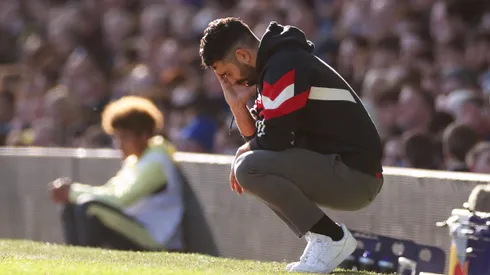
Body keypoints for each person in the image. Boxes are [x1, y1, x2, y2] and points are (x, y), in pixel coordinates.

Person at [199, 18, 384, 273]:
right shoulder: (274, 65)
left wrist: (245, 149)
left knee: (248, 168)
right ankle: (323, 238)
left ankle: (331, 238)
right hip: (339, 168)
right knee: (249, 167)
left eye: (226, 73)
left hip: (355, 175)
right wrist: (237, 107)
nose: (229, 82)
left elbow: (273, 142)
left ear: (242, 55)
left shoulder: (284, 64)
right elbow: (267, 142)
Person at [48, 96, 185, 252]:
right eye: (117, 138)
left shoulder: (156, 161)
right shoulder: (137, 159)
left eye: (124, 138)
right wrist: (72, 191)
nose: (119, 145)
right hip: (137, 228)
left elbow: (120, 200)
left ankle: (87, 263)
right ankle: (75, 261)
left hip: (157, 240)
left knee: (88, 206)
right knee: (72, 206)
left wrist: (72, 191)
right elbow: (110, 191)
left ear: (144, 135)